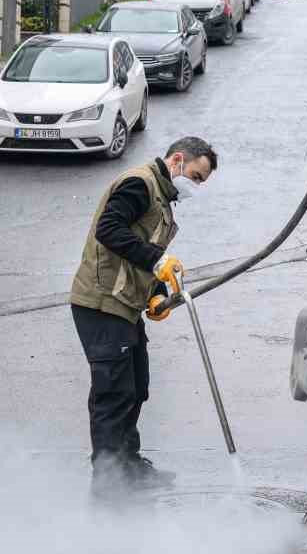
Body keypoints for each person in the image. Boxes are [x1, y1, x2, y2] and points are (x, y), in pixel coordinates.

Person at [70, 136, 217, 493]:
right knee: (113, 394)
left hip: (126, 305)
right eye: (195, 176)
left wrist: (156, 293)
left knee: (136, 387)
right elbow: (110, 230)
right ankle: (107, 483)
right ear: (178, 160)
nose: (195, 186)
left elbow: (140, 252)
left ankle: (129, 466)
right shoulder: (139, 184)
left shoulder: (162, 199)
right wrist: (158, 261)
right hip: (101, 303)